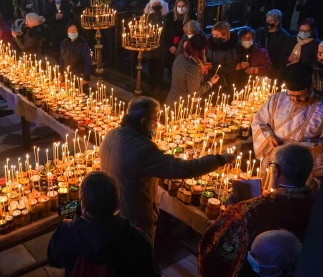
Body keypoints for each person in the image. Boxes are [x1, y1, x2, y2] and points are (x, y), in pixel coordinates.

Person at [199, 144, 315, 277]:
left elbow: (213, 244)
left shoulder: (250, 211)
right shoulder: (318, 207)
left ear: (275, 171)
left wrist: (233, 209)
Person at [100, 96, 235, 243]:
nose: (156, 126)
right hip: (135, 218)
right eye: (155, 121)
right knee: (141, 258)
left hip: (113, 209)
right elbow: (182, 169)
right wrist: (219, 159)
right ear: (143, 122)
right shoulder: (142, 149)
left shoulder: (111, 134)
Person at [47, 171, 162, 277]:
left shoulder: (67, 231)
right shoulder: (135, 238)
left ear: (83, 204)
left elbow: (53, 259)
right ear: (117, 203)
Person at [251, 63, 323, 183]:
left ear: (311, 86)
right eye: (291, 95)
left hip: (303, 165)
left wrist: (311, 145)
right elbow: (258, 123)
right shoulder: (277, 99)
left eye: (300, 96)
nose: (295, 100)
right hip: (275, 161)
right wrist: (269, 137)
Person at [166, 33, 219, 106]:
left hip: (173, 98)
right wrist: (210, 82)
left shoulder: (181, 56)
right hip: (183, 105)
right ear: (201, 50)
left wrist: (202, 65)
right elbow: (195, 93)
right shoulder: (193, 67)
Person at [255, 9, 292, 75]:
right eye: (266, 20)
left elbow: (283, 54)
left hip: (274, 69)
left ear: (277, 22)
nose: (267, 23)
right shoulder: (260, 31)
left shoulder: (285, 36)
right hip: (259, 66)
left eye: (270, 21)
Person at [162, 0, 192, 78]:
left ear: (187, 6)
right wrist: (170, 46)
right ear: (175, 6)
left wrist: (178, 47)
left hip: (183, 47)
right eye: (179, 6)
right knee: (170, 69)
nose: (181, 8)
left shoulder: (191, 18)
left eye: (183, 6)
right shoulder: (170, 16)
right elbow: (165, 33)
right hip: (171, 47)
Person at [143, 0, 168, 91]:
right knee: (150, 64)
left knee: (159, 65)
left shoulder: (165, 16)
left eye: (158, 4)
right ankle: (151, 83)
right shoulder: (148, 16)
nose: (156, 6)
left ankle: (158, 84)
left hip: (161, 43)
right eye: (154, 4)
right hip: (150, 43)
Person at [59, 22, 92, 86]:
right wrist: (61, 73)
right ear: (67, 32)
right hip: (66, 75)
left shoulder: (83, 44)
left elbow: (88, 61)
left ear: (78, 31)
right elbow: (61, 60)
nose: (72, 33)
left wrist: (86, 77)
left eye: (74, 31)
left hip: (79, 76)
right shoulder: (63, 43)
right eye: (70, 31)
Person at [206, 21, 237, 90]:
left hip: (221, 82)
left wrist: (212, 67)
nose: (213, 37)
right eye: (213, 35)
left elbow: (230, 69)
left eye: (217, 35)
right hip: (207, 80)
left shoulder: (229, 50)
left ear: (224, 36)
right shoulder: (209, 46)